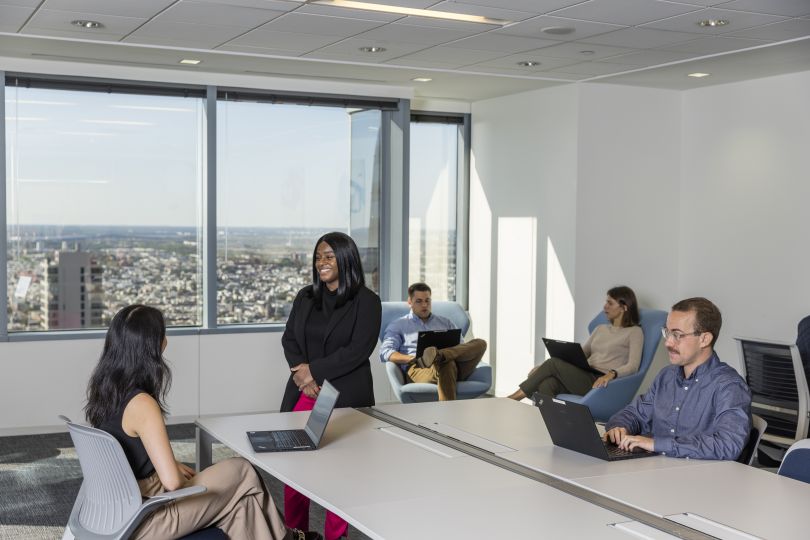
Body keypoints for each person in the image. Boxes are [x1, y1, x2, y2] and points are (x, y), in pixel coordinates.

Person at [85, 305, 320, 540]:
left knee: (243, 506)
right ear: (151, 345)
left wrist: (169, 465)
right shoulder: (142, 404)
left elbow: (132, 450)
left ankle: (288, 538)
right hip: (149, 518)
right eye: (162, 334)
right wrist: (174, 472)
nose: (166, 339)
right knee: (242, 470)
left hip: (119, 515)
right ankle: (289, 538)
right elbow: (173, 483)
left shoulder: (105, 390)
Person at [280, 231, 381, 540]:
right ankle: (297, 532)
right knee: (295, 468)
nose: (321, 262)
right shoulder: (305, 296)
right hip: (305, 392)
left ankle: (335, 536)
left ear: (346, 259)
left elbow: (357, 350)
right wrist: (302, 375)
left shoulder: (367, 301)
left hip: (343, 394)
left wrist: (315, 373)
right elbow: (290, 339)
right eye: (318, 257)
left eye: (328, 256)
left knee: (340, 471)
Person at [605, 297, 752, 460]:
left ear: (704, 339)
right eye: (667, 332)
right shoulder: (666, 376)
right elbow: (635, 413)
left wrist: (656, 444)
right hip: (656, 470)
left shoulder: (729, 386)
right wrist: (619, 427)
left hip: (699, 479)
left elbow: (728, 444)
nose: (668, 342)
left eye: (677, 335)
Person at [508, 286, 643, 401]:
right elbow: (583, 353)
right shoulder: (601, 329)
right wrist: (545, 367)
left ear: (624, 307)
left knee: (552, 363)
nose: (605, 306)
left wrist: (611, 374)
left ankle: (513, 399)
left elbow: (633, 366)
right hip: (584, 375)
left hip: (600, 382)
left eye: (610, 303)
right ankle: (550, 425)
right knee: (547, 383)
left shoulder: (634, 332)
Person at [379, 282, 487, 401]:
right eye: (419, 301)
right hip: (419, 368)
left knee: (480, 343)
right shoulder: (398, 325)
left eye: (427, 300)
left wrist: (441, 355)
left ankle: (440, 355)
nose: (424, 305)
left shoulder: (446, 322)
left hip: (455, 365)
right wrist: (411, 358)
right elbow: (386, 352)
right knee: (447, 364)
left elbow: (461, 348)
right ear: (410, 302)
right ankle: (448, 412)